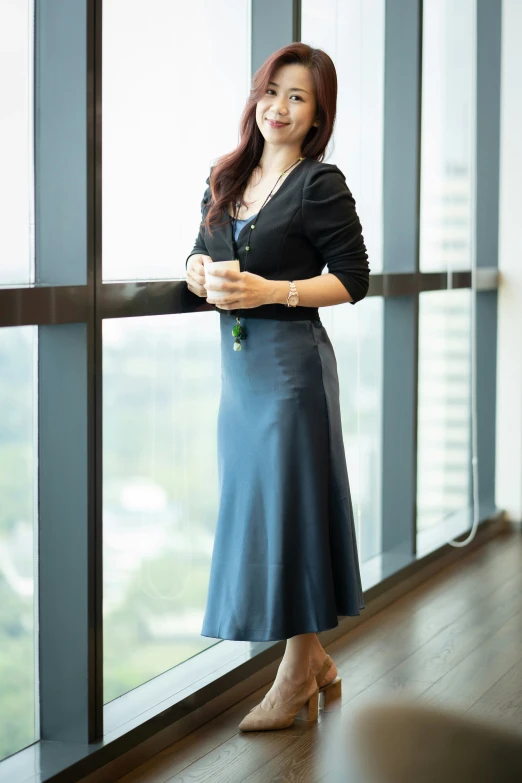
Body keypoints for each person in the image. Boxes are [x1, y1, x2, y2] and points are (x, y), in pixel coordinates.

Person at [185, 42, 370, 731]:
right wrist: (197, 272)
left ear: (318, 114)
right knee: (264, 511)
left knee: (290, 511)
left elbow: (354, 278)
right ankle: (314, 660)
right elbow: (200, 249)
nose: (280, 107)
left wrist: (274, 289)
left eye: (298, 97)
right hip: (240, 377)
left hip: (292, 371)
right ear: (255, 97)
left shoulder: (321, 184)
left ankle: (295, 673)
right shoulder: (225, 176)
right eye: (272, 91)